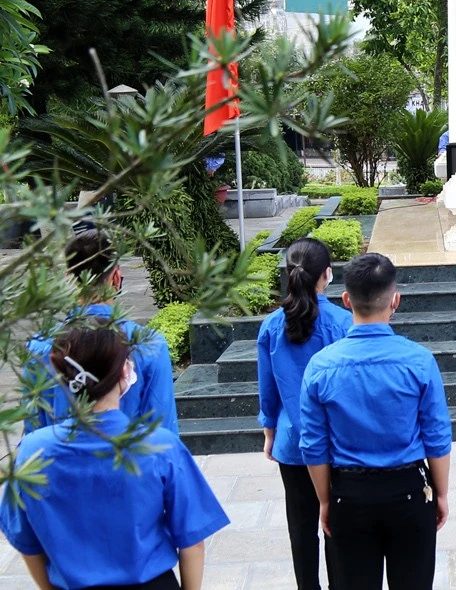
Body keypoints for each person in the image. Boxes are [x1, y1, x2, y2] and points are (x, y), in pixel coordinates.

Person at [1, 321, 230, 590]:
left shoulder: (32, 451)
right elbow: (192, 540)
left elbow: (25, 540)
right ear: (124, 372)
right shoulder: (158, 445)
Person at [299, 253, 453, 590]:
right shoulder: (419, 362)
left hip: (349, 497)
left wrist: (325, 501)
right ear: (395, 300)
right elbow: (437, 436)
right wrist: (441, 493)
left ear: (346, 300)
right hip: (409, 495)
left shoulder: (321, 366)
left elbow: (313, 445)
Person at [256, 237, 352, 590]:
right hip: (337, 444)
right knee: (336, 526)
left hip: (292, 442)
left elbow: (268, 390)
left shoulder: (270, 326)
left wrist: (269, 433)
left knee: (301, 526)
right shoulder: (343, 323)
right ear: (327, 275)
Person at [26, 229, 178, 434]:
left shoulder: (41, 347)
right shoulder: (149, 345)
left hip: (60, 462)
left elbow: (32, 433)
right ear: (116, 277)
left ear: (69, 278)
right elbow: (163, 431)